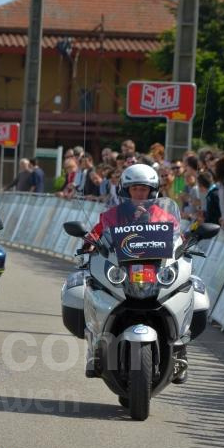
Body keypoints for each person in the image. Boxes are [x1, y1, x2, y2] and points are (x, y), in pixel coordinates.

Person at [83, 163, 187, 383]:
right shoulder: (111, 216)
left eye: (144, 190)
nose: (140, 194)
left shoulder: (164, 216)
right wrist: (89, 243)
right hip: (122, 275)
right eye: (135, 189)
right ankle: (94, 348)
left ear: (152, 191)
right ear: (126, 190)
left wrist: (185, 246)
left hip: (156, 274)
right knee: (81, 285)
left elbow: (179, 239)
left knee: (193, 288)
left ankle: (180, 349)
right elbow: (95, 235)